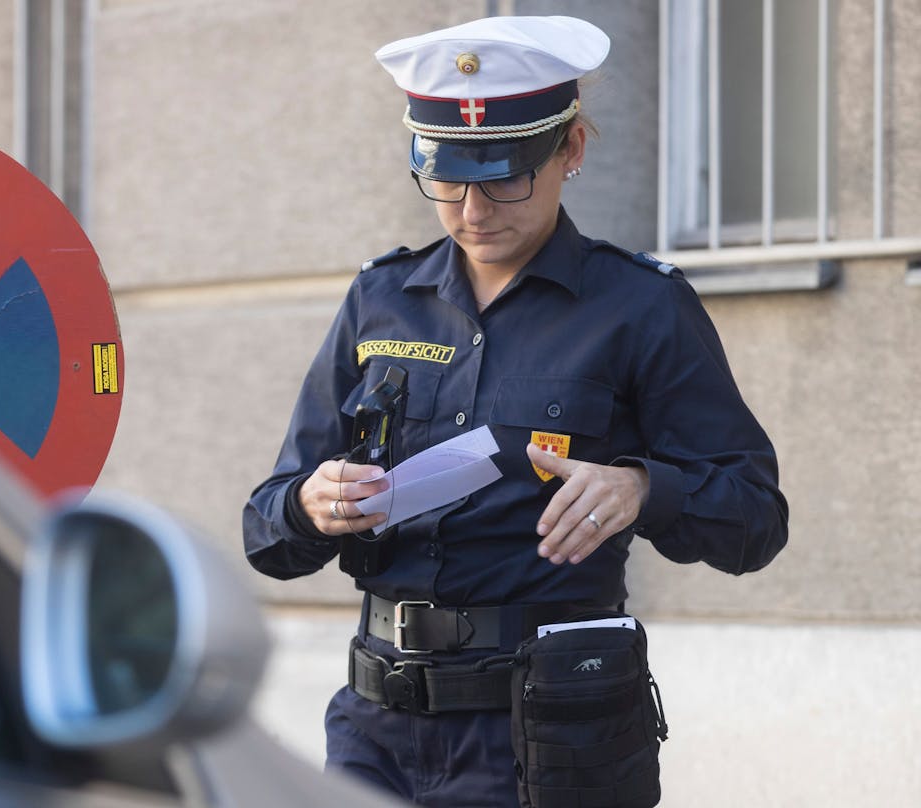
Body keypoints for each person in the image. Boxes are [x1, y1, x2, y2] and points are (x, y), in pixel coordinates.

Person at [241, 15, 789, 808]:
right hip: (375, 731)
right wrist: (309, 504)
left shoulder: (640, 306)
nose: (473, 210)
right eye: (447, 180)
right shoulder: (381, 299)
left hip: (550, 736)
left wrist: (641, 489)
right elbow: (267, 529)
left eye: (503, 178)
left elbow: (755, 520)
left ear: (570, 150)